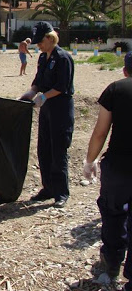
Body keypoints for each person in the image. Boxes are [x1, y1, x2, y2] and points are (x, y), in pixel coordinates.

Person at [83, 51, 132, 287]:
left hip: (119, 164)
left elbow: (101, 131)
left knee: (113, 214)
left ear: (125, 70)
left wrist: (89, 160)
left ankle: (112, 263)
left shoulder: (116, 89)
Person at [20, 21, 74, 209]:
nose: (38, 45)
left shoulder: (63, 58)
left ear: (50, 38)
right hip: (46, 108)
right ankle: (48, 187)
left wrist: (43, 96)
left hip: (60, 108)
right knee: (44, 148)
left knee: (58, 150)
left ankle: (61, 192)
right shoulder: (43, 58)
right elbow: (38, 82)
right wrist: (30, 93)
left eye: (40, 42)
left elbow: (62, 86)